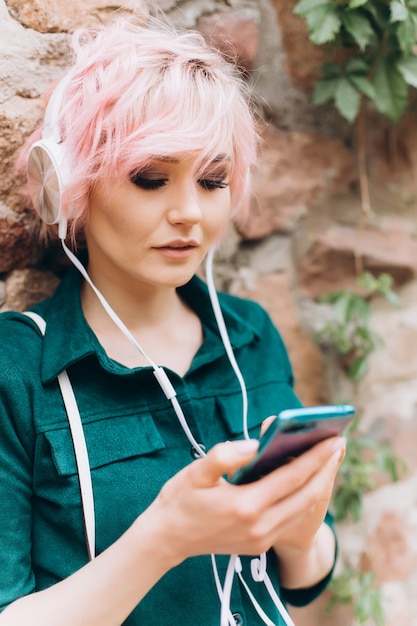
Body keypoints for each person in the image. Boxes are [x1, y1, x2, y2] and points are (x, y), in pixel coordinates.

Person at [0, 16, 346, 626]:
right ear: (67, 185)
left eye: (212, 180)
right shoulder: (18, 368)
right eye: (151, 178)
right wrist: (164, 538)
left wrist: (300, 526)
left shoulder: (250, 335)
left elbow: (304, 582)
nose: (189, 212)